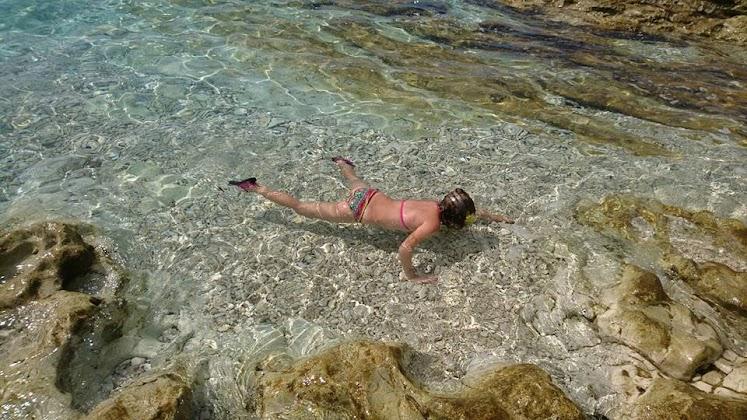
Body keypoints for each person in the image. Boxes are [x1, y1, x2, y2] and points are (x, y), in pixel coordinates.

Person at [229, 157, 513, 284]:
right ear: (454, 219)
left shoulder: (433, 205)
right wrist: (412, 274)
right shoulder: (432, 225)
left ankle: (342, 163)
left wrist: (495, 217)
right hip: (356, 211)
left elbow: (472, 214)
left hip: (370, 195)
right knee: (302, 208)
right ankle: (257, 188)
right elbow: (405, 248)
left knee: (354, 179)